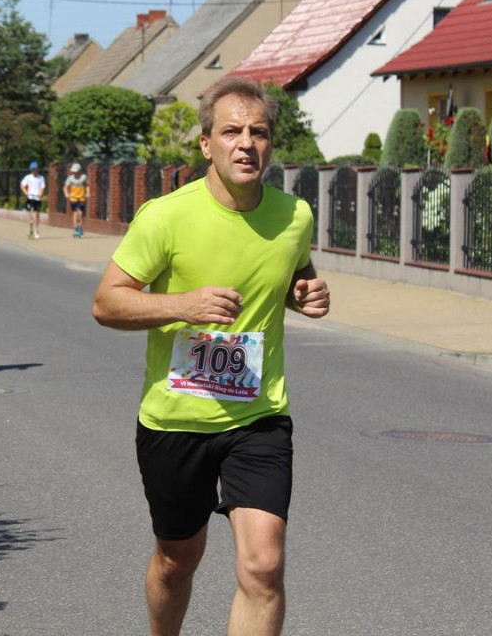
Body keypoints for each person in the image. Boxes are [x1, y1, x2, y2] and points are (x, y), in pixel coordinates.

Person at [91, 76, 330, 636]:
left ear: (271, 144)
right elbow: (106, 303)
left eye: (259, 132)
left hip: (259, 415)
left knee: (263, 565)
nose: (246, 143)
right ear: (206, 145)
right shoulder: (165, 216)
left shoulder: (294, 216)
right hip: (176, 418)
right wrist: (184, 304)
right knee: (177, 560)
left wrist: (307, 295)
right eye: (231, 131)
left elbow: (295, 277)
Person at [20, 161, 45, 239]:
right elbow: (22, 185)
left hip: (37, 198)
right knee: (30, 215)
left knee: (37, 215)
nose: (34, 171)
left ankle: (36, 230)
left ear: (37, 169)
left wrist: (40, 194)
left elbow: (42, 187)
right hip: (30, 198)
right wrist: (26, 193)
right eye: (32, 169)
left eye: (35, 169)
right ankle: (31, 230)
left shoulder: (41, 178)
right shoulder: (28, 177)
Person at [63, 162, 89, 238]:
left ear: (79, 171)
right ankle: (75, 229)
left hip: (81, 197)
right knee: (75, 213)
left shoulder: (84, 177)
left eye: (76, 171)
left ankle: (80, 228)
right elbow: (65, 187)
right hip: (73, 198)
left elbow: (87, 185)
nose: (75, 173)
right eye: (74, 172)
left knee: (80, 213)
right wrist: (66, 194)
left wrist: (87, 193)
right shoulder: (70, 178)